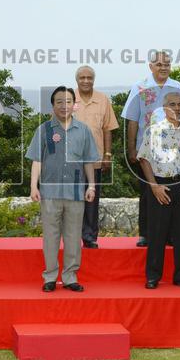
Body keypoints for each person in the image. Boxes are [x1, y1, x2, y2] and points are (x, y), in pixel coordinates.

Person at [27, 87, 99, 293]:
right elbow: (37, 160)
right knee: (50, 236)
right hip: (50, 193)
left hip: (76, 193)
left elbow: (88, 161)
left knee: (73, 236)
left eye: (68, 101)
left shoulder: (83, 130)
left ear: (74, 104)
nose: (64, 106)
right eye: (59, 102)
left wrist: (91, 186)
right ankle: (50, 277)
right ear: (53, 105)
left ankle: (70, 277)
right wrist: (34, 186)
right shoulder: (44, 130)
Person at [122, 51, 180, 247]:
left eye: (167, 64)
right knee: (147, 192)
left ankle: (170, 234)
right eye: (159, 64)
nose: (163, 67)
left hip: (174, 151)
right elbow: (132, 119)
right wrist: (132, 149)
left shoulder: (177, 87)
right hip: (147, 151)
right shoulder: (139, 88)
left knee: (174, 191)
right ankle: (146, 233)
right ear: (151, 66)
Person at [137, 91, 180, 289]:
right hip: (160, 186)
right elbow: (144, 160)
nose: (176, 108)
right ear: (164, 108)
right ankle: (152, 276)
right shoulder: (154, 131)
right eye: (172, 104)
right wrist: (154, 186)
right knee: (156, 233)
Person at [73, 65, 119, 248]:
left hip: (95, 160)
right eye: (82, 77)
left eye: (89, 77)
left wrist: (107, 155)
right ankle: (72, 236)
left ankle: (90, 236)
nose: (86, 80)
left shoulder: (103, 99)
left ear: (94, 79)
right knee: (72, 200)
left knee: (92, 199)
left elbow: (108, 129)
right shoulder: (68, 98)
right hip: (72, 160)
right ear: (77, 80)